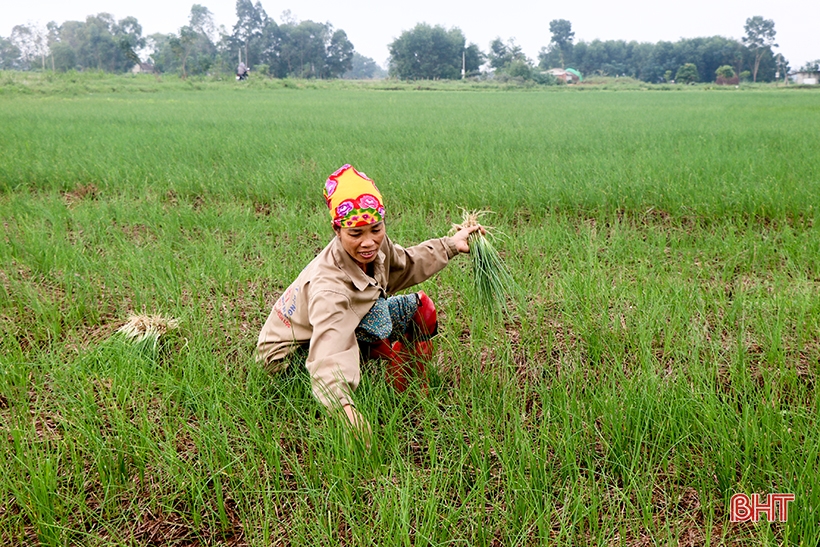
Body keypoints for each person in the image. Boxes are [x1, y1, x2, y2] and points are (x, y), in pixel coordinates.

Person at [256, 164, 481, 432]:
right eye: (355, 233)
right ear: (336, 230)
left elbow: (405, 265)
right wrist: (345, 411)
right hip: (289, 358)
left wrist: (450, 245)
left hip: (340, 325)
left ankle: (410, 393)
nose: (368, 242)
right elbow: (329, 352)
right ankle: (372, 393)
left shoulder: (375, 247)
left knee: (421, 308)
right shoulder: (329, 289)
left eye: (376, 229)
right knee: (377, 327)